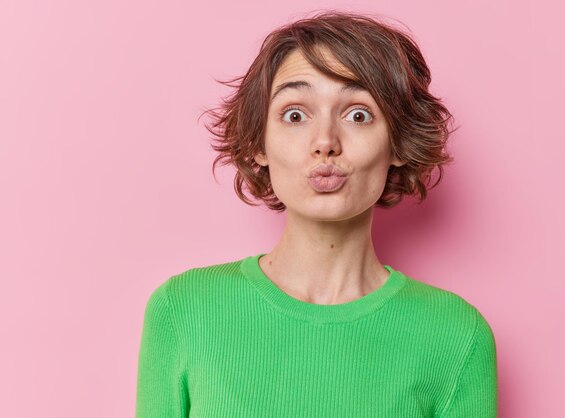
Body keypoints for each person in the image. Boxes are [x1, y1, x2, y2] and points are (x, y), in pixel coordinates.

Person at [135, 10, 497, 418]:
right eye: (295, 114)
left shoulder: (456, 337)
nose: (325, 142)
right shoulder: (183, 311)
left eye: (358, 114)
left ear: (397, 144)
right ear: (259, 144)